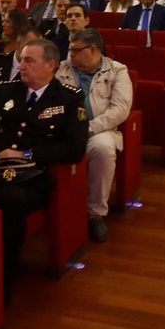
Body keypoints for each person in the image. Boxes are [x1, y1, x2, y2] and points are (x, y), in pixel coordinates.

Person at [0, 39, 89, 287]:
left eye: (29, 61)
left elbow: (75, 149)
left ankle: (3, 275)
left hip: (34, 175)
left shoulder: (68, 98)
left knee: (9, 198)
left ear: (50, 65)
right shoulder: (6, 91)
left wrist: (27, 155)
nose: (21, 66)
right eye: (21, 60)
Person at [55, 29, 131, 243]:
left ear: (93, 50)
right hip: (66, 128)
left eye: (76, 50)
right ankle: (59, 207)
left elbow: (120, 109)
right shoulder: (62, 69)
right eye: (70, 49)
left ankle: (95, 214)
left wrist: (89, 127)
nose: (71, 54)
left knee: (103, 148)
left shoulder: (117, 70)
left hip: (99, 129)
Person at [0, 9, 33, 90]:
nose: (3, 24)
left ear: (17, 24)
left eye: (7, 22)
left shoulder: (26, 49)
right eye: (3, 21)